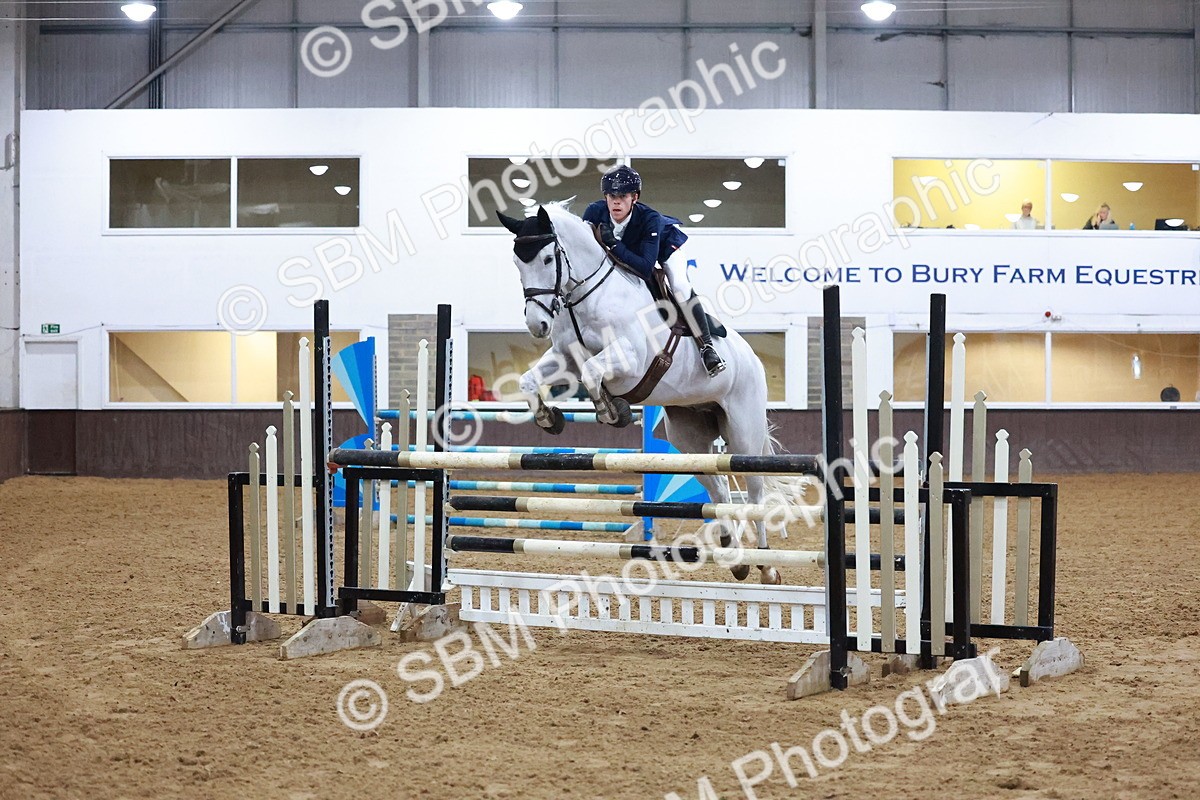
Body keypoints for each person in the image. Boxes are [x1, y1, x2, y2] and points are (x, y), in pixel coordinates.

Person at [582, 164, 726, 377]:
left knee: (679, 285)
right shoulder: (594, 212)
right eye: (611, 196)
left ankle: (706, 348)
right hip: (629, 249)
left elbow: (645, 267)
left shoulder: (651, 218)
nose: (616, 201)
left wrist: (614, 245)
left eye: (622, 196)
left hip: (664, 246)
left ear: (635, 197)